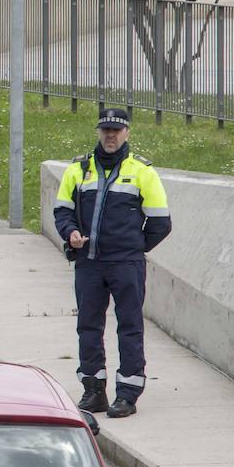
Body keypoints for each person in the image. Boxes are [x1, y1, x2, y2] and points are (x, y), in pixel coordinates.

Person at [53, 108, 173, 419]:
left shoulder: (143, 172)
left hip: (125, 264)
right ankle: (94, 391)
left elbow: (161, 222)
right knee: (88, 327)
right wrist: (71, 233)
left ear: (126, 134)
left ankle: (127, 394)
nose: (110, 135)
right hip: (89, 263)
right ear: (98, 132)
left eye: (116, 131)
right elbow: (62, 211)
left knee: (129, 327)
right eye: (105, 129)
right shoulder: (78, 169)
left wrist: (133, 248)